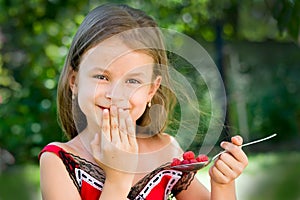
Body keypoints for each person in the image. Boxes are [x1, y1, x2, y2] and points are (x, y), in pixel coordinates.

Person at [39, 3, 248, 200]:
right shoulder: (58, 161)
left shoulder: (165, 149)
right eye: (102, 77)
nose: (116, 94)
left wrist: (223, 183)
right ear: (74, 82)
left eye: (132, 81)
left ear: (151, 91)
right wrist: (118, 179)